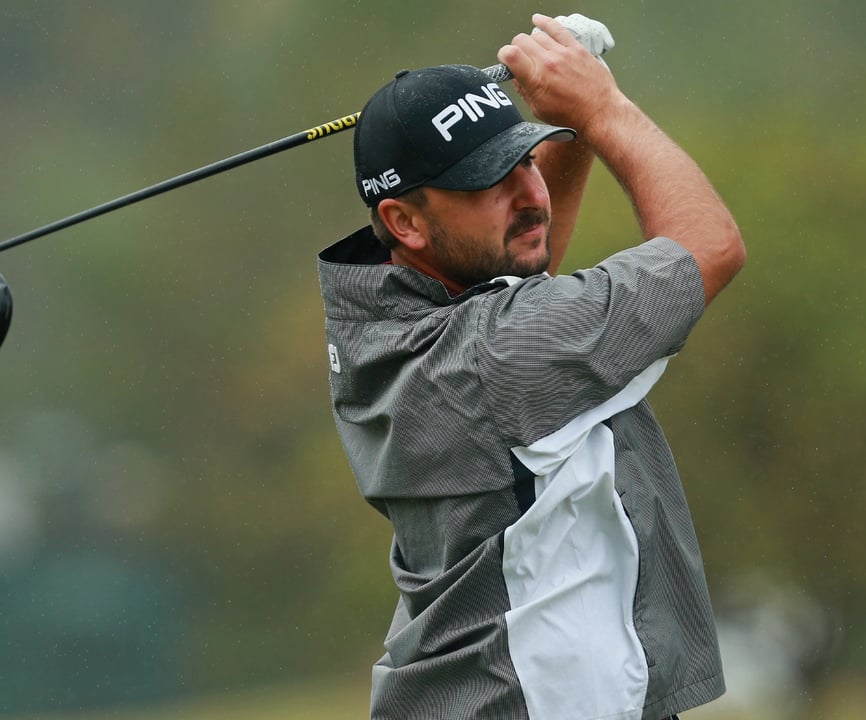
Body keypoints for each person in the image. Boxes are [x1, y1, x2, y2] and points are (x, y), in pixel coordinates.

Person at [318, 13, 745, 720]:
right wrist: (601, 108)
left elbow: (520, 286)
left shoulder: (379, 326)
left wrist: (566, 128)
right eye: (488, 180)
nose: (530, 193)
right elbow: (708, 247)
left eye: (525, 158)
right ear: (404, 222)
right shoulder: (499, 354)